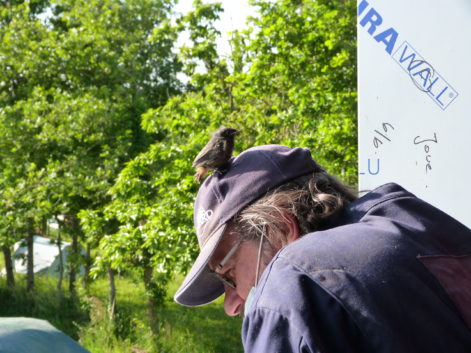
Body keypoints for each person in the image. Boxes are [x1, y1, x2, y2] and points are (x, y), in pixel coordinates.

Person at [174, 144, 471, 353]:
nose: (231, 305)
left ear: (279, 226)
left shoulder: (292, 284)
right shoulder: (422, 228)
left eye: (228, 276)